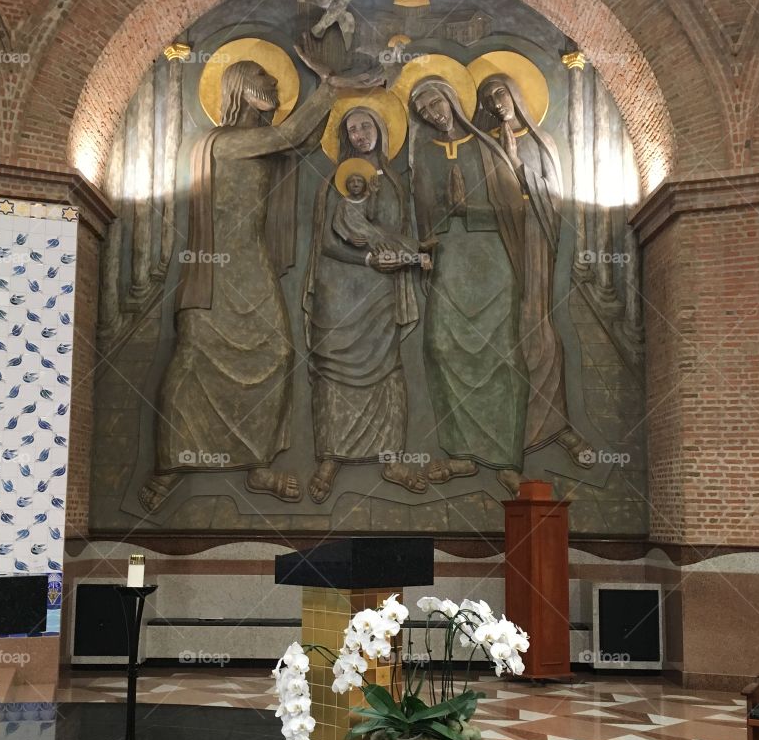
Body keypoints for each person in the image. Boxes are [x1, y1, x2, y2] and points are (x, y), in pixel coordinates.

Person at [139, 50, 375, 513]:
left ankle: (256, 463)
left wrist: (338, 86)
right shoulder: (223, 141)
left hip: (251, 259)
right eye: (264, 80)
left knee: (277, 352)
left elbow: (298, 142)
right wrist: (330, 87)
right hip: (217, 265)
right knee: (193, 359)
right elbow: (288, 133)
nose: (275, 88)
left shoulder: (263, 141)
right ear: (240, 89)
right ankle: (169, 465)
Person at [407, 74, 531, 496]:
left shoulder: (486, 144)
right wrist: (426, 244)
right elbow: (422, 213)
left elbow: (514, 206)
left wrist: (468, 209)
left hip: (492, 257)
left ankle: (507, 460)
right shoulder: (422, 154)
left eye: (435, 102)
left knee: (504, 354)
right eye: (422, 110)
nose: (431, 112)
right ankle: (461, 452)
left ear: (451, 99)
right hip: (449, 256)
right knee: (441, 346)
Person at [303, 101, 426, 504]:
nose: (359, 134)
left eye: (365, 125)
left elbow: (400, 232)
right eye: (352, 129)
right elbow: (325, 244)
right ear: (344, 138)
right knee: (334, 371)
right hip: (339, 291)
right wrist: (368, 258)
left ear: (380, 129)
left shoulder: (392, 181)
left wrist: (405, 256)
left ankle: (391, 459)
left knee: (387, 368)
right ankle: (329, 460)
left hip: (379, 293)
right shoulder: (332, 183)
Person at [476, 71, 591, 462]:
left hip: (536, 242)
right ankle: (501, 432)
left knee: (538, 330)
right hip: (497, 249)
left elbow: (551, 196)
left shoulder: (541, 142)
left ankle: (552, 425)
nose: (496, 104)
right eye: (489, 101)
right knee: (503, 335)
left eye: (500, 94)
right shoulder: (484, 147)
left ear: (516, 93)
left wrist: (516, 165)